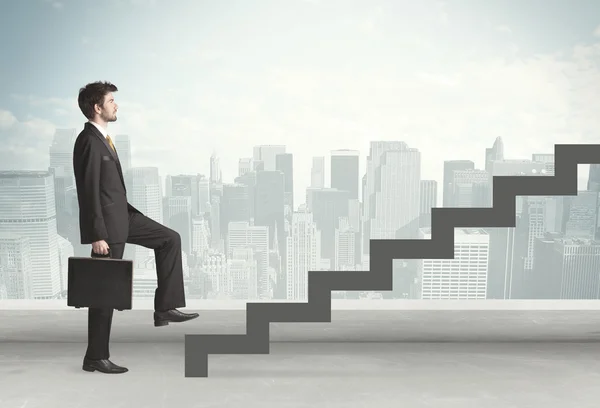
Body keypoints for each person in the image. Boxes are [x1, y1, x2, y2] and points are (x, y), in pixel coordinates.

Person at [72, 81, 199, 374]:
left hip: (125, 217)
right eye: (111, 100)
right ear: (97, 107)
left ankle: (164, 307)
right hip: (107, 228)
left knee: (170, 239)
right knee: (103, 293)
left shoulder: (103, 138)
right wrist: (96, 235)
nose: (116, 105)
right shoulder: (88, 140)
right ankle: (95, 357)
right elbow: (87, 190)